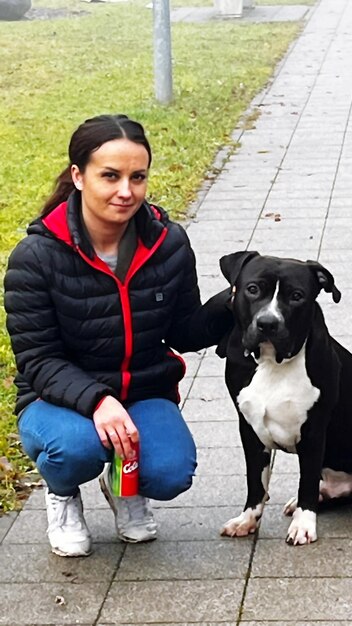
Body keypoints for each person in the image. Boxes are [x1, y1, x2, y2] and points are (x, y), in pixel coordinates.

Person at [4, 114, 233, 557]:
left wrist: (239, 298)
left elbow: (185, 332)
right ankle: (63, 495)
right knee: (76, 449)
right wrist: (98, 401)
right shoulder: (35, 257)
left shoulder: (168, 243)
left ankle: (124, 487)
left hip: (143, 391)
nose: (126, 191)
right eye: (110, 176)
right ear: (78, 176)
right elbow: (38, 359)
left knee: (171, 472)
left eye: (137, 177)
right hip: (54, 400)